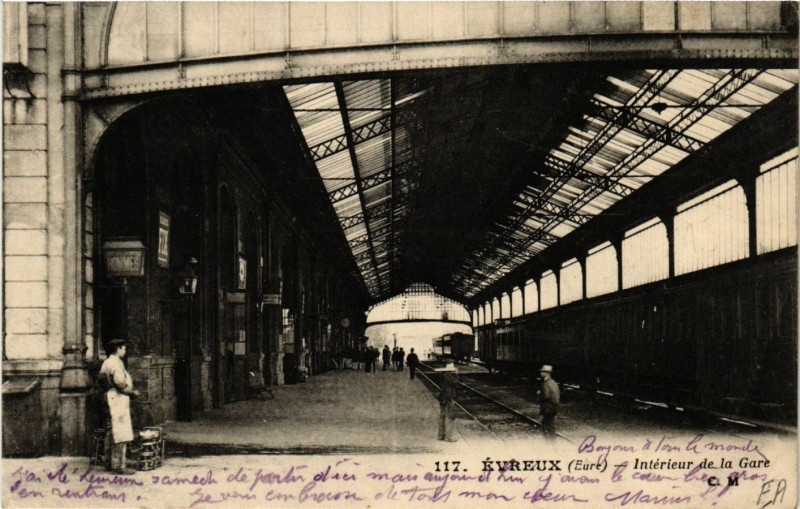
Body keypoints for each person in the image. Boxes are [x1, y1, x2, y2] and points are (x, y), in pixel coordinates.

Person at [99, 339, 140, 475]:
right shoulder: (115, 363)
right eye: (123, 348)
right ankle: (119, 466)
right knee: (120, 432)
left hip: (109, 396)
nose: (125, 351)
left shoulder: (106, 362)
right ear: (118, 349)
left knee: (111, 431)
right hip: (117, 398)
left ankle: (109, 463)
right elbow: (119, 382)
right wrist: (132, 392)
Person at [537, 364, 560, 440]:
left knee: (547, 426)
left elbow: (546, 396)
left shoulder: (545, 383)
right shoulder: (553, 382)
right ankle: (551, 442)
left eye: (542, 372)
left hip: (547, 408)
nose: (540, 373)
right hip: (554, 408)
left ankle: (550, 444)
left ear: (547, 373)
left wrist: (539, 394)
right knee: (549, 425)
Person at [437, 363, 458, 441]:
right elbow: (455, 383)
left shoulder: (442, 375)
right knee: (450, 416)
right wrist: (456, 375)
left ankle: (440, 435)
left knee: (442, 416)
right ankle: (449, 437)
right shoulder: (449, 375)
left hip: (442, 396)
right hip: (449, 397)